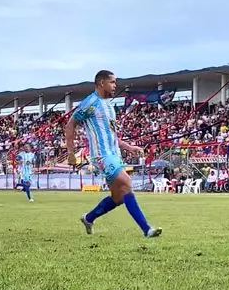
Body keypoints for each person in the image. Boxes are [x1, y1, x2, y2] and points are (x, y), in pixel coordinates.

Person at [66, 70, 161, 238]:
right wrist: (71, 153)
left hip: (114, 154)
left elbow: (111, 134)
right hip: (101, 156)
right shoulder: (90, 103)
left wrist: (128, 147)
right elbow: (71, 124)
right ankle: (146, 229)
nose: (115, 85)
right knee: (126, 182)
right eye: (112, 82)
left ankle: (88, 218)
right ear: (101, 83)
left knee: (118, 197)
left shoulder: (109, 105)